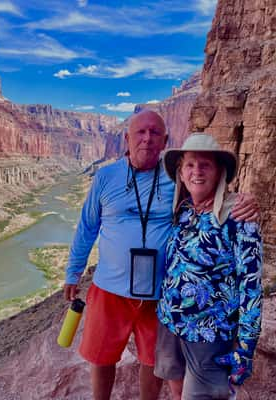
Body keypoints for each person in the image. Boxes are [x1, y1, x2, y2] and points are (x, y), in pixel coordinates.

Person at [64, 110, 258, 400]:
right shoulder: (105, 177)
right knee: (102, 356)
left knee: (153, 361)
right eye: (140, 132)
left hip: (158, 294)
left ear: (165, 140)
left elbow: (213, 196)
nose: (147, 138)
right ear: (126, 139)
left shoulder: (176, 181)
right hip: (109, 287)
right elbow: (88, 227)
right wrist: (73, 271)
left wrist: (246, 199)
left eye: (155, 133)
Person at [155, 133, 262, 400]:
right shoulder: (184, 210)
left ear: (219, 173)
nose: (197, 172)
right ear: (180, 172)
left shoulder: (238, 217)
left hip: (210, 335)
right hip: (170, 324)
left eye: (205, 165)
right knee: (177, 388)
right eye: (190, 165)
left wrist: (246, 348)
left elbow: (251, 288)